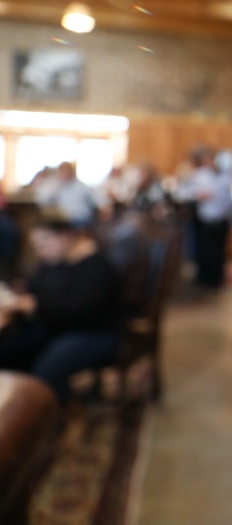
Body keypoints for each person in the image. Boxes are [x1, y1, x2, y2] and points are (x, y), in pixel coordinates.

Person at [0, 219, 122, 404]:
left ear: (66, 237)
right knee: (11, 349)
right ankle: (18, 403)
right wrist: (22, 291)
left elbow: (83, 310)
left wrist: (36, 306)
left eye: (46, 243)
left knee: (47, 369)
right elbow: (36, 285)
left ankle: (51, 416)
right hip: (57, 327)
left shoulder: (96, 266)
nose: (42, 251)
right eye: (38, 246)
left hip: (95, 333)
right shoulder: (53, 262)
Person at [188, 148, 232, 289]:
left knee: (218, 253)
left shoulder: (225, 176)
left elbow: (227, 198)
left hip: (220, 220)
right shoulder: (200, 175)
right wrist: (197, 194)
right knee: (204, 252)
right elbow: (188, 190)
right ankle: (203, 278)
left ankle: (216, 279)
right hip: (205, 221)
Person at [34, 162, 108, 227]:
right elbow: (43, 199)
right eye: (62, 171)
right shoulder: (56, 186)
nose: (65, 173)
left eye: (67, 170)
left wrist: (104, 206)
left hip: (80, 217)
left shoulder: (80, 186)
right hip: (63, 219)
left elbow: (98, 197)